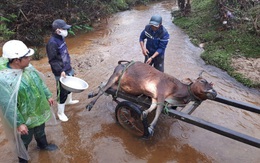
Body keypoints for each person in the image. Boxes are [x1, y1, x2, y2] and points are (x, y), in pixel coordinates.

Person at [0, 40, 58, 163]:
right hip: (23, 116)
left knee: (40, 129)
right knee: (24, 139)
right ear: (16, 60)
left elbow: (39, 82)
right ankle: (23, 159)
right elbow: (8, 106)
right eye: (27, 57)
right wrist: (19, 123)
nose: (30, 58)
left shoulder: (27, 67)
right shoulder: (4, 79)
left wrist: (48, 95)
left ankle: (43, 145)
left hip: (37, 109)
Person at [46, 19, 79, 122]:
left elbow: (65, 54)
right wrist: (60, 71)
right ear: (58, 30)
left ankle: (69, 101)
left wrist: (68, 66)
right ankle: (60, 113)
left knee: (70, 86)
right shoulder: (52, 43)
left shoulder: (61, 38)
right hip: (60, 72)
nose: (66, 31)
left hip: (67, 68)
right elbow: (52, 60)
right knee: (62, 92)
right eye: (64, 29)